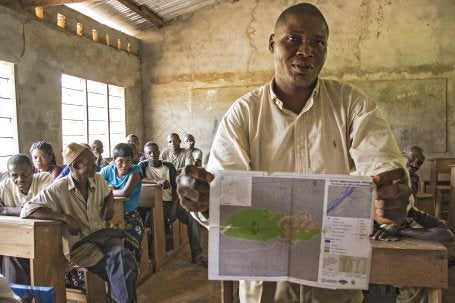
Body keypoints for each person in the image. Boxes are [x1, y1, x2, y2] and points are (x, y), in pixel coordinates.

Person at [176, 3, 410, 303]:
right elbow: (222, 193)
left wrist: (392, 193)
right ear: (272, 44)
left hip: (335, 284)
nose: (306, 51)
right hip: (264, 285)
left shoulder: (352, 105)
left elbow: (382, 165)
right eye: (293, 39)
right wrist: (205, 200)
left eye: (318, 42)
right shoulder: (243, 114)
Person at [20, 143, 137, 303]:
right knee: (124, 265)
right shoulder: (59, 188)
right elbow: (27, 210)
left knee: (121, 258)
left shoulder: (97, 179)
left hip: (105, 235)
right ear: (75, 165)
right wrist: (65, 218)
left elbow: (109, 191)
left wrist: (109, 203)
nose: (95, 165)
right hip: (82, 246)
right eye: (90, 161)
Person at [139, 141, 206, 266]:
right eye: (149, 153)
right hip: (154, 205)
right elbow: (138, 178)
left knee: (193, 217)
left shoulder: (168, 166)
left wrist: (174, 208)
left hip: (171, 203)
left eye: (155, 151)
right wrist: (157, 180)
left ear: (160, 152)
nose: (153, 154)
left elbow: (177, 189)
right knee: (147, 221)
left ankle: (197, 254)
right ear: (145, 155)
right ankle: (149, 255)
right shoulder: (142, 167)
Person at [0, 154, 53, 284]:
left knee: (12, 255)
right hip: (15, 238)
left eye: (25, 174)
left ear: (33, 170)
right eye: (14, 176)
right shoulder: (5, 186)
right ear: (9, 175)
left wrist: (7, 210)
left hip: (44, 237)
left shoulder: (44, 179)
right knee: (9, 253)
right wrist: (25, 210)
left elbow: (43, 210)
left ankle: (17, 296)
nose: (20, 179)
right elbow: (32, 210)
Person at [101, 143, 144, 265]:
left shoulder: (136, 170)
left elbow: (125, 193)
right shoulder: (107, 171)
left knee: (130, 244)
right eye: (120, 161)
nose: (124, 165)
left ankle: (132, 272)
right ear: (114, 160)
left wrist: (109, 190)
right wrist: (111, 190)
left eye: (128, 161)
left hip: (130, 217)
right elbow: (95, 190)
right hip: (108, 216)